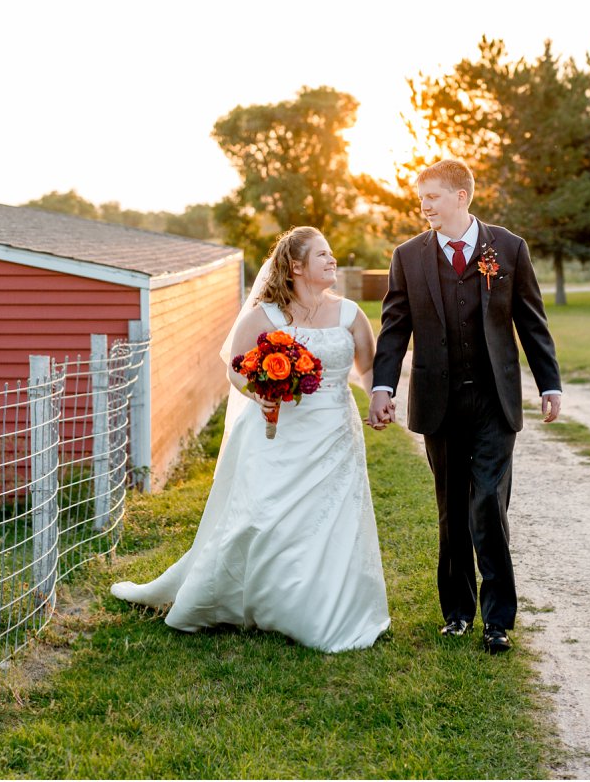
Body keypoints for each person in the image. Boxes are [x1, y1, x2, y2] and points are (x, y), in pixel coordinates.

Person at [110, 228, 389, 652]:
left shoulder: (351, 314)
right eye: (323, 255)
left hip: (335, 434)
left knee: (332, 520)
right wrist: (260, 393)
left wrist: (377, 400)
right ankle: (252, 597)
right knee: (262, 518)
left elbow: (367, 371)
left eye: (332, 255)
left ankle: (322, 606)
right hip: (277, 435)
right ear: (296, 266)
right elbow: (237, 370)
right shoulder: (265, 317)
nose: (333, 261)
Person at [369, 162, 561, 655]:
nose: (424, 205)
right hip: (439, 402)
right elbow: (394, 328)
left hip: (494, 401)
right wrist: (383, 387)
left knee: (488, 504)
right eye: (421, 198)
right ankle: (457, 613)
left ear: (461, 196)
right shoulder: (408, 256)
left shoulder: (509, 248)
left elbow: (531, 322)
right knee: (451, 509)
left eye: (433, 196)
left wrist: (549, 384)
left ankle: (498, 620)